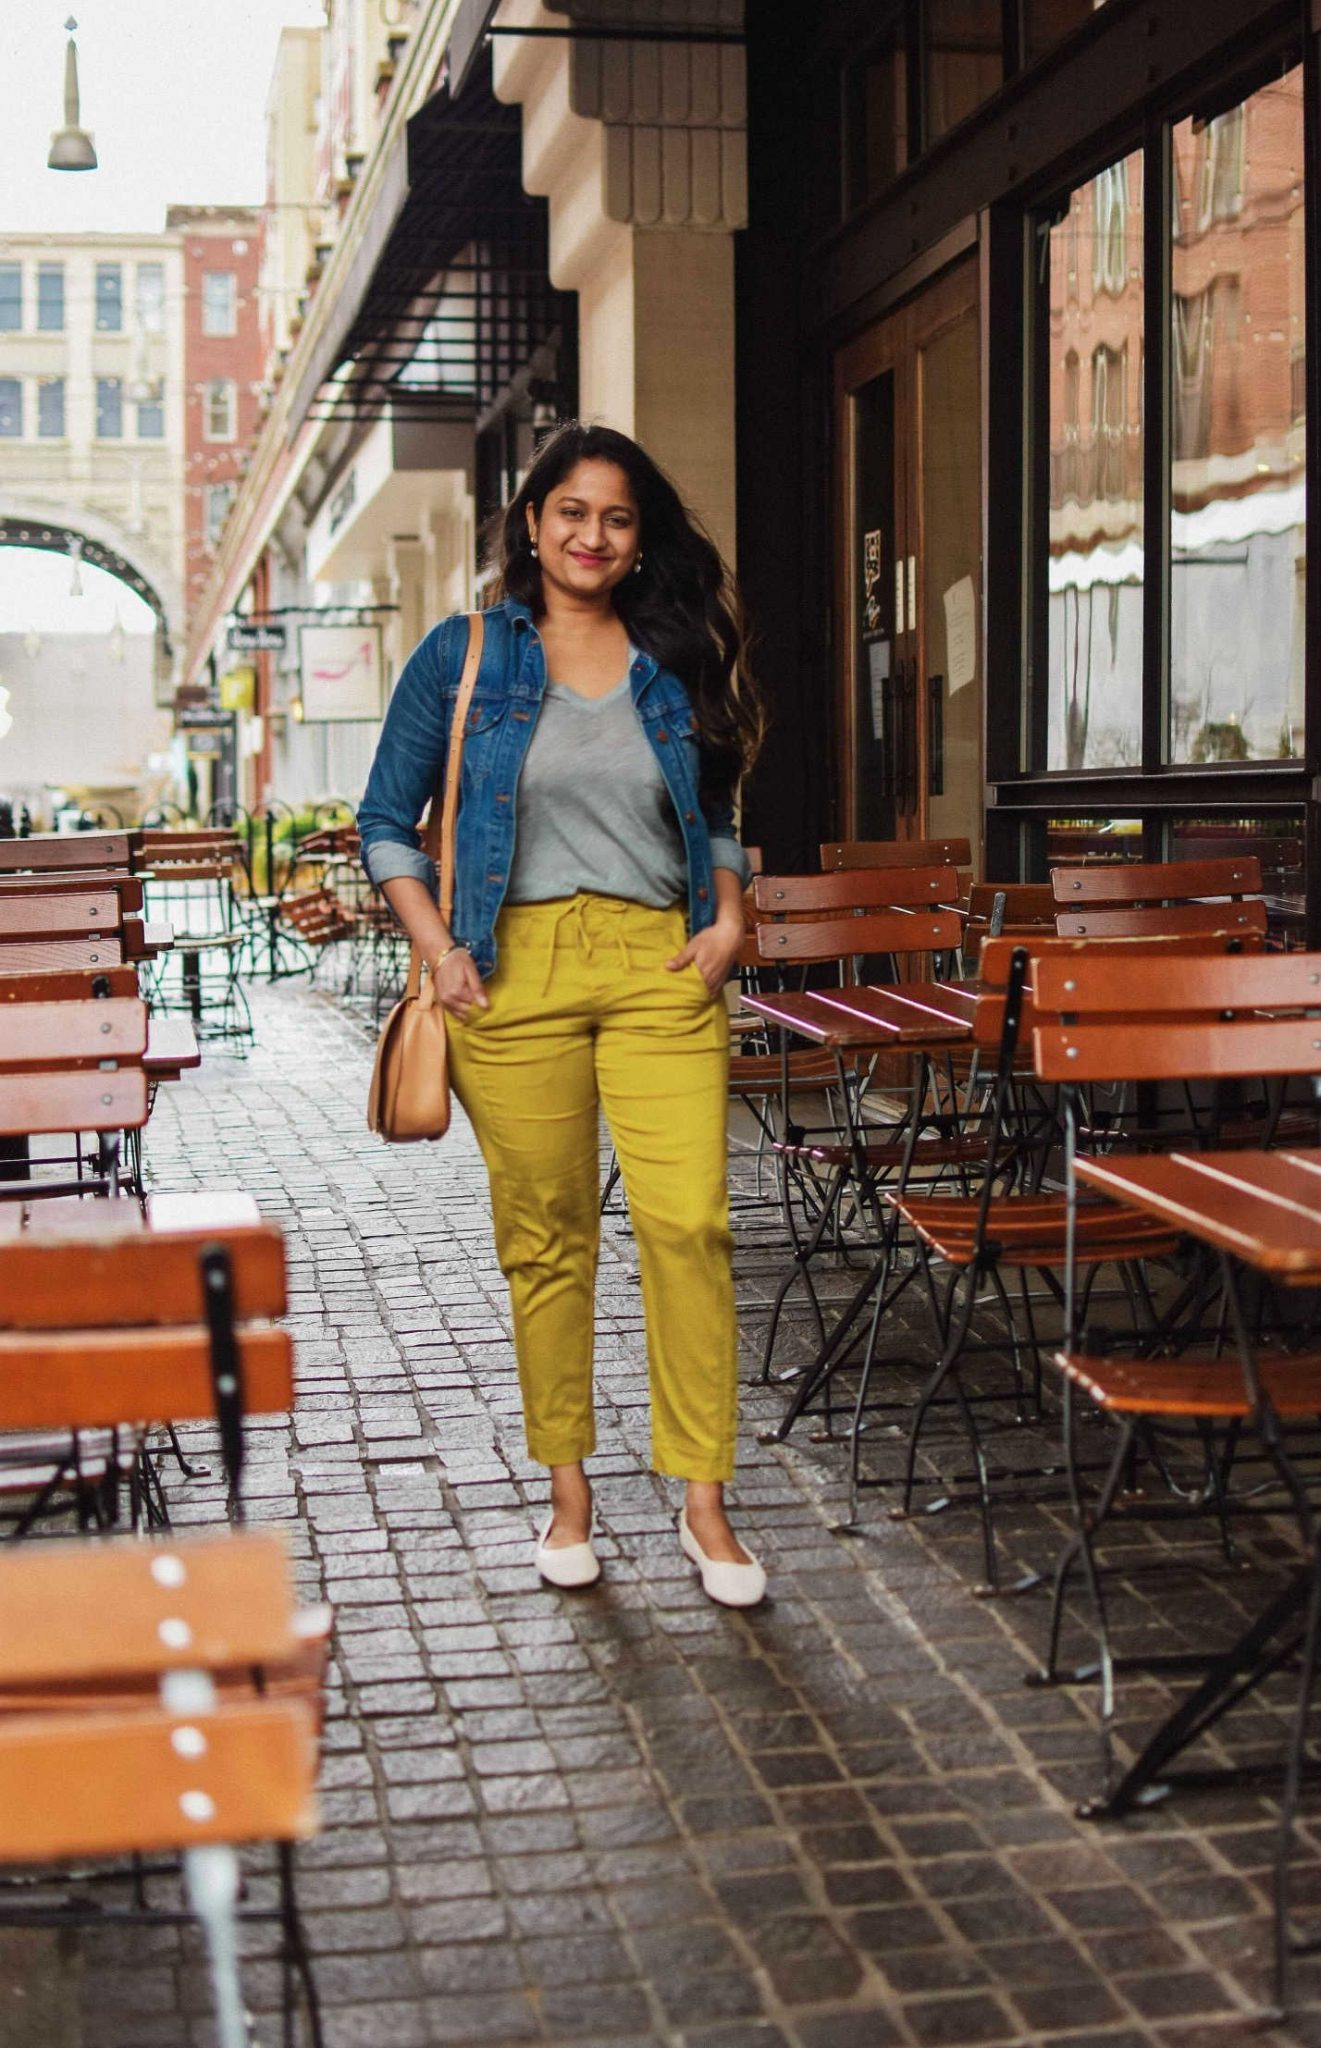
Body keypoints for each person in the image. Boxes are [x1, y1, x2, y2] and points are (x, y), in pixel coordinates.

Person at [358, 421, 767, 1607]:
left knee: (688, 1222)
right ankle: (569, 1495)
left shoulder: (674, 655)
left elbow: (721, 809)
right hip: (510, 970)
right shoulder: (465, 651)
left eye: (618, 516)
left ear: (641, 541)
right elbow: (387, 818)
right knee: (546, 1242)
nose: (592, 534)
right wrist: (437, 948)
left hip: (658, 964)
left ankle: (703, 1500)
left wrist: (730, 916)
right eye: (571, 511)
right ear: (531, 525)